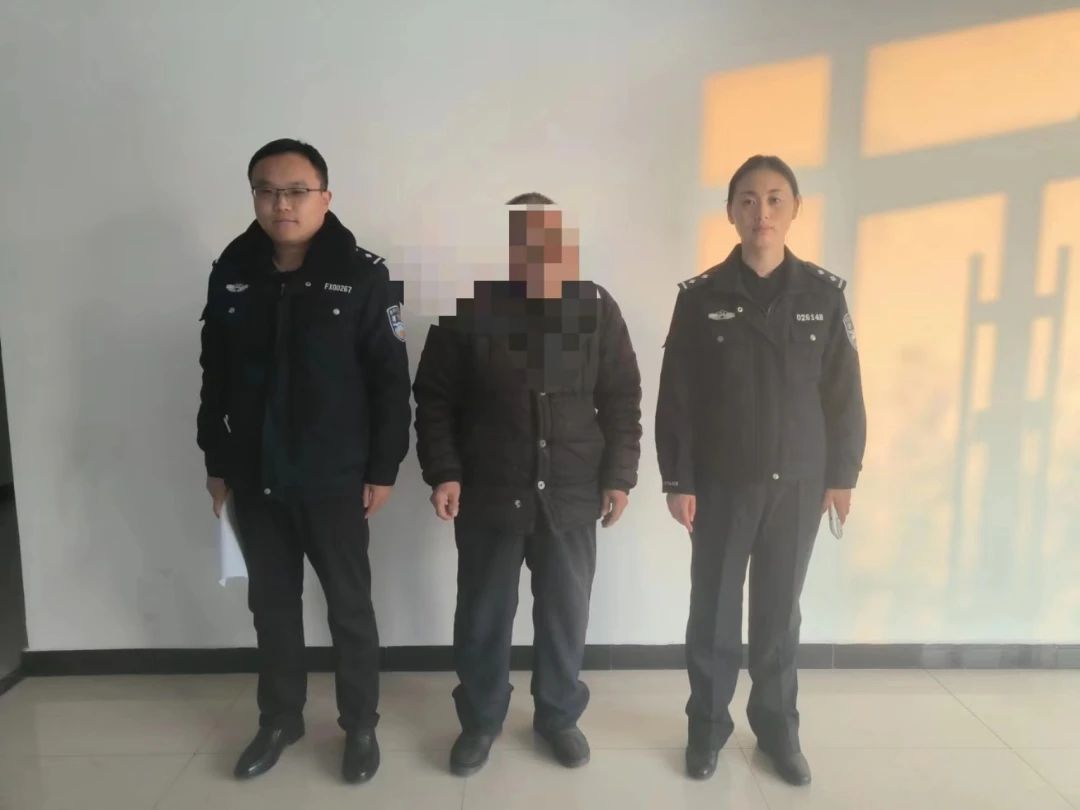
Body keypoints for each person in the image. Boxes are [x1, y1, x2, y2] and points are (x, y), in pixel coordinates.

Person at [196, 138, 411, 784]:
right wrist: (216, 462)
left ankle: (360, 725)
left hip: (335, 478)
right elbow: (214, 375)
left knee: (349, 608)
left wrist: (383, 468)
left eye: (296, 191)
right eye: (266, 190)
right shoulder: (232, 271)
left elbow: (389, 382)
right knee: (272, 607)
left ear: (325, 197)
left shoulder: (365, 275)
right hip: (255, 475)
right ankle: (280, 719)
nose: (280, 204)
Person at [413, 193, 642, 775]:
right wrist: (444, 471)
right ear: (511, 249)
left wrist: (619, 476)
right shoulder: (470, 313)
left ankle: (558, 717)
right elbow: (434, 400)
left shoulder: (597, 309)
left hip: (572, 494)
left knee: (565, 615)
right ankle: (480, 720)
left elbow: (622, 399)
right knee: (483, 616)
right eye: (525, 241)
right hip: (489, 493)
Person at [656, 155, 866, 786]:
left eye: (775, 199)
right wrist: (678, 480)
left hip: (799, 484)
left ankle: (778, 732)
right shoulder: (700, 298)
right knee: (714, 614)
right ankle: (706, 730)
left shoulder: (824, 296)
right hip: (722, 484)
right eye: (747, 200)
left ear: (795, 209)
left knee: (778, 616)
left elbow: (844, 394)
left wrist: (843, 476)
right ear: (731, 212)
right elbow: (677, 397)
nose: (761, 212)